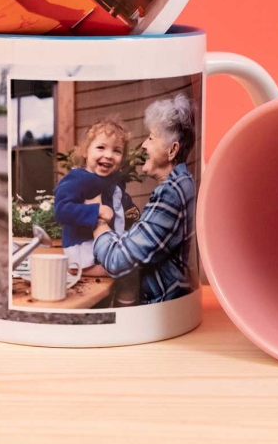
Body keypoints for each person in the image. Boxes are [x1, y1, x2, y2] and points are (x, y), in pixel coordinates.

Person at [93, 94, 198, 304]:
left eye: (151, 138)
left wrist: (98, 221)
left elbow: (118, 259)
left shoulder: (172, 191)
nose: (143, 145)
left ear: (172, 150)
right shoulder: (183, 183)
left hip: (164, 307)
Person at [53, 119, 139, 271]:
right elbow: (62, 209)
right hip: (84, 249)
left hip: (108, 244)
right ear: (86, 151)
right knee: (124, 274)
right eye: (101, 148)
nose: (109, 155)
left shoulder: (112, 181)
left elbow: (119, 200)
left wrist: (130, 209)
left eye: (117, 151)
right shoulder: (78, 178)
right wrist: (96, 211)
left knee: (126, 270)